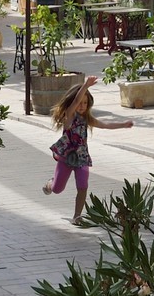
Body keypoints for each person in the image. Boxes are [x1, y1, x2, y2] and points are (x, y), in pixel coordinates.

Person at [44, 75, 133, 225]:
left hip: (82, 158)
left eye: (85, 103)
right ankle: (50, 184)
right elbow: (76, 100)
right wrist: (85, 85)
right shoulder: (69, 117)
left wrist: (123, 124)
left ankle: (77, 216)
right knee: (58, 189)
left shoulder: (86, 120)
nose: (82, 105)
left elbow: (105, 124)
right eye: (80, 102)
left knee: (83, 186)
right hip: (66, 158)